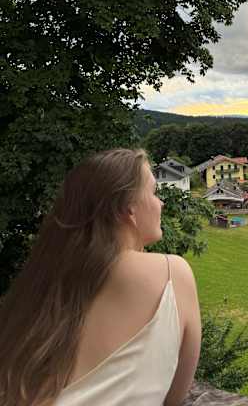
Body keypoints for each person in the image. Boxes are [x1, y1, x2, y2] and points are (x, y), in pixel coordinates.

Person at [0, 148, 201, 406]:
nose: (161, 203)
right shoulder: (172, 274)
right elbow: (175, 396)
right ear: (128, 208)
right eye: (154, 192)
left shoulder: (45, 284)